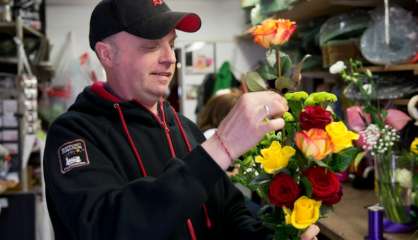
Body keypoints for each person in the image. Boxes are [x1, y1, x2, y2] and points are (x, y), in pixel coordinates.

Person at [43, 0, 320, 239]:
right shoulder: (73, 135)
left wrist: (274, 236)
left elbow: (231, 214)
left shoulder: (183, 126)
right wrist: (220, 148)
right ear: (107, 54)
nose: (169, 58)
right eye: (151, 46)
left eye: (171, 44)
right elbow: (106, 229)